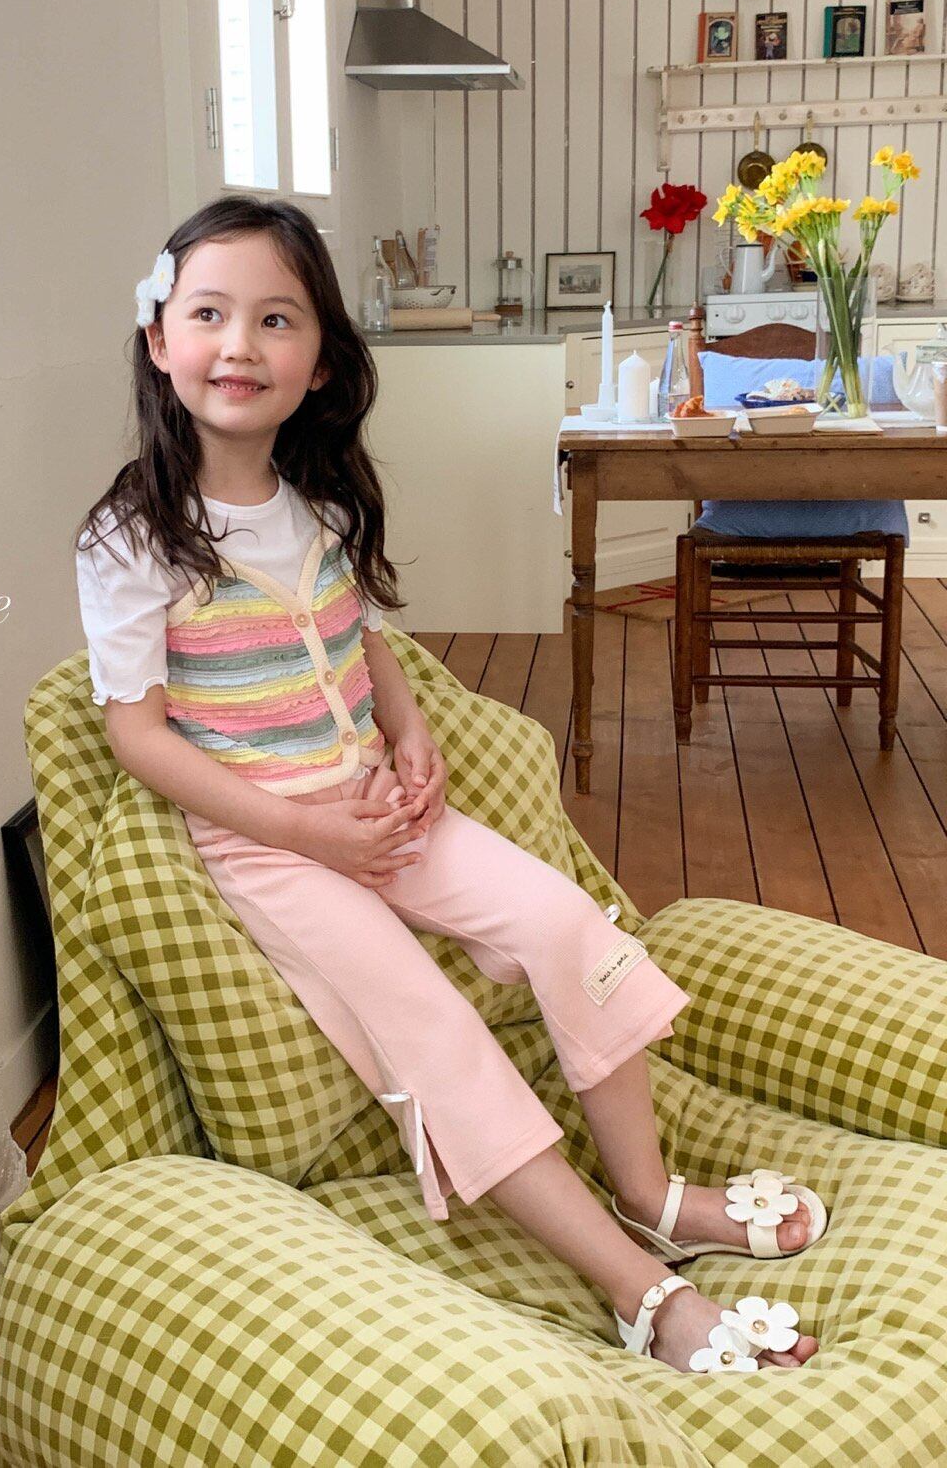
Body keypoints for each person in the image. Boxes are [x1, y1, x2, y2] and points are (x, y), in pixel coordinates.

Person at [72, 194, 828, 1375]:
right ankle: (638, 1291)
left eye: (276, 319)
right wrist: (305, 835)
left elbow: (363, 637)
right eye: (207, 314)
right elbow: (138, 737)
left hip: (382, 806)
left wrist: (411, 732)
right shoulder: (131, 536)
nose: (238, 346)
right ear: (158, 337)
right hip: (271, 844)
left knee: (564, 923)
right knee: (434, 1029)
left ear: (321, 361)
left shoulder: (321, 500)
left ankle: (645, 1194)